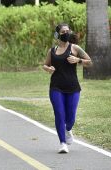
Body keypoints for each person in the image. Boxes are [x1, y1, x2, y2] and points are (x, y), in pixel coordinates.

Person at [42, 23, 92, 153]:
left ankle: (68, 129)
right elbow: (45, 65)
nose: (66, 33)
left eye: (67, 31)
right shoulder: (52, 51)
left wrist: (78, 60)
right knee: (59, 114)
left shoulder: (75, 48)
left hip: (73, 88)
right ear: (57, 34)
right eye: (63, 31)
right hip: (56, 87)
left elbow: (90, 62)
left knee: (70, 118)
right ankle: (62, 143)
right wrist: (49, 68)